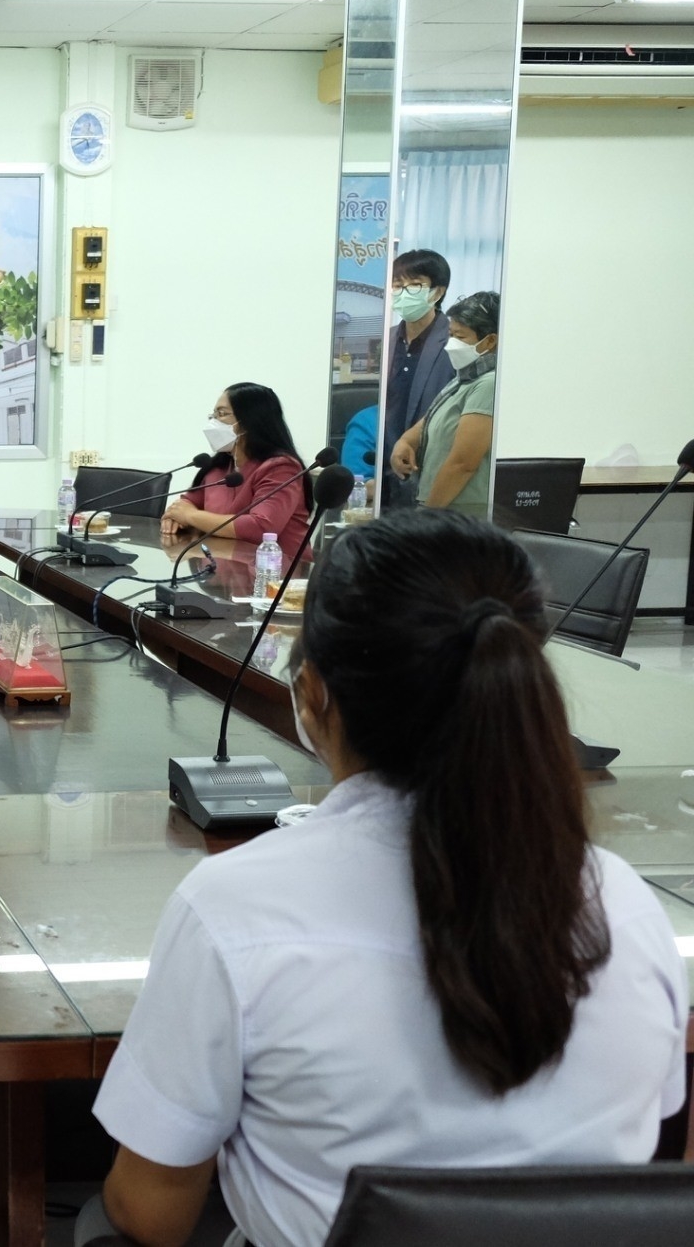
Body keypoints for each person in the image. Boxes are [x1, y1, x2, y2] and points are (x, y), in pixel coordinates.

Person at [79, 511, 686, 1247]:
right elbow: (650, 1150)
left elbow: (153, 1212)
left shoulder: (235, 910)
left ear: (313, 696)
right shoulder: (623, 904)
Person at [392, 290, 500, 516]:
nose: (451, 344)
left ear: (490, 340)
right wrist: (405, 441)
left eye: (460, 337)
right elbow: (433, 418)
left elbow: (463, 463)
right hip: (441, 508)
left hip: (459, 512)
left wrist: (429, 514)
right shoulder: (464, 378)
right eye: (451, 334)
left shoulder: (488, 384)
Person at [160, 383, 311, 545]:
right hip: (222, 562)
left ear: (250, 420)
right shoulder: (219, 467)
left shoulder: (281, 468)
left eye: (222, 414)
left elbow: (261, 528)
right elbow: (187, 503)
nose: (213, 421)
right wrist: (173, 517)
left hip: (274, 566)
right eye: (213, 415)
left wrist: (190, 516)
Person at [379, 249, 455, 508]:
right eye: (398, 286)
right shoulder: (386, 339)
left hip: (431, 465)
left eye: (415, 285)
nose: (403, 293)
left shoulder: (457, 342)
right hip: (385, 466)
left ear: (437, 292)